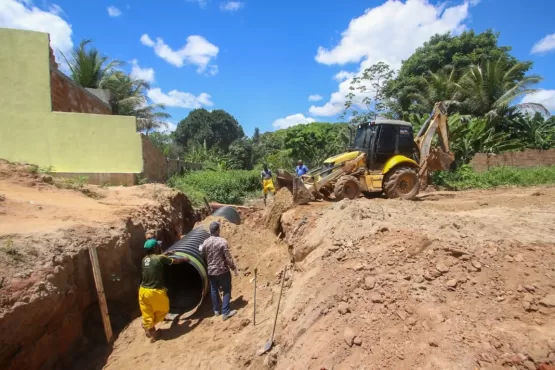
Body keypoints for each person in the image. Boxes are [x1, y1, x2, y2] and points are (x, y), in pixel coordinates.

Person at [139, 239, 189, 342]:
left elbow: (156, 259)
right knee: (164, 310)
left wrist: (166, 253)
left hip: (142, 291)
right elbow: (175, 261)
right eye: (157, 246)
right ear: (155, 248)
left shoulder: (144, 259)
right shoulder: (160, 258)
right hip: (154, 291)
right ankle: (150, 327)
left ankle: (150, 330)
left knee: (147, 312)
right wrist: (184, 259)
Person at [199, 221, 239, 321]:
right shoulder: (222, 242)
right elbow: (228, 258)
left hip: (211, 271)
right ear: (217, 230)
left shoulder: (205, 242)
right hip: (222, 270)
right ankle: (225, 312)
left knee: (213, 289)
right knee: (226, 289)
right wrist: (234, 268)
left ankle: (216, 310)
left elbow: (202, 254)